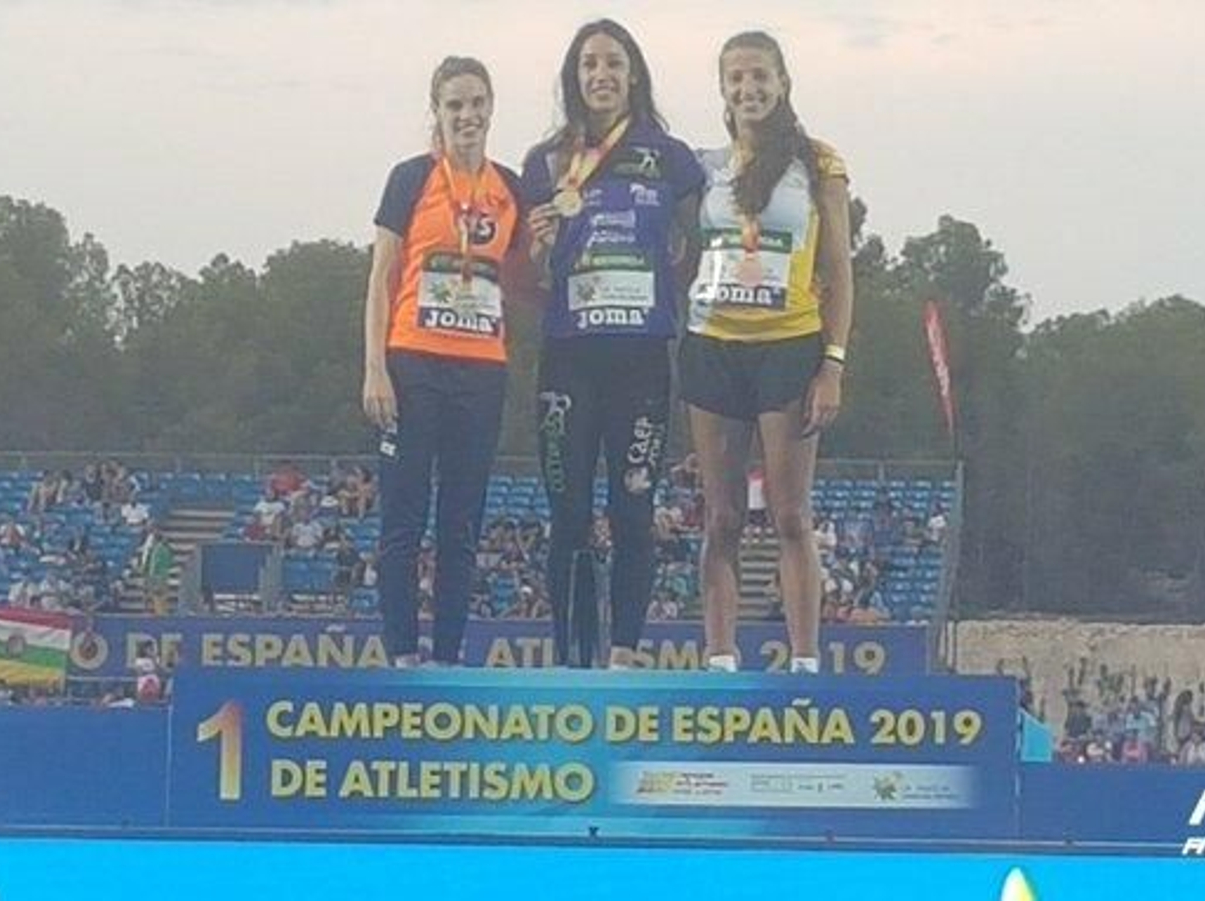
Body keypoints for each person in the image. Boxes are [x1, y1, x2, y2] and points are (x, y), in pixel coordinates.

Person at [520, 19, 703, 669]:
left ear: (634, 75)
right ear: (573, 78)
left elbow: (705, 233)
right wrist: (540, 251)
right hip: (568, 355)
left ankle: (624, 652)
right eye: (588, 64)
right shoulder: (544, 160)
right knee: (567, 513)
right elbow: (527, 270)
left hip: (643, 357)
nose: (600, 75)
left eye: (613, 63)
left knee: (633, 507)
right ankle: (571, 655)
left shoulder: (670, 155)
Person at [683, 31, 854, 673]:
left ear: (782, 83)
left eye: (760, 77)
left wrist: (832, 363)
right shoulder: (704, 167)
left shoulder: (818, 164)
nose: (748, 89)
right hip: (713, 346)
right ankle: (720, 657)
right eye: (736, 79)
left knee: (788, 512)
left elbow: (839, 269)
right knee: (722, 516)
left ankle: (805, 659)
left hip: (789, 346)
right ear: (723, 90)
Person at [363, 56, 525, 667]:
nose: (467, 115)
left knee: (461, 523)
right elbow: (381, 279)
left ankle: (451, 657)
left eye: (477, 103)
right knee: (403, 519)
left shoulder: (509, 187)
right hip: (412, 363)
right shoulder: (410, 179)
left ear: (491, 109)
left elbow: (532, 270)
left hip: (482, 369)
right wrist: (374, 367)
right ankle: (402, 654)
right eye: (455, 105)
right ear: (436, 112)